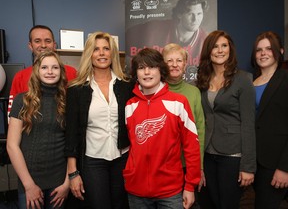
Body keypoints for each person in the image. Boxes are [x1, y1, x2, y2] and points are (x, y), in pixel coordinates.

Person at [124, 48, 201, 209]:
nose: (146, 72)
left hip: (170, 192)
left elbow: (192, 147)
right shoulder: (130, 106)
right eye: (141, 68)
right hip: (136, 191)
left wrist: (190, 186)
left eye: (152, 67)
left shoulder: (179, 102)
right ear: (136, 74)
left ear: (161, 70)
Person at [64, 31, 134, 209]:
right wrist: (72, 172)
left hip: (123, 158)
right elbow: (71, 132)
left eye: (106, 49)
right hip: (92, 160)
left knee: (122, 206)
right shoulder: (76, 89)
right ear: (89, 54)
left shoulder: (127, 85)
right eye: (96, 49)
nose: (102, 53)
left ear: (113, 53)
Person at [196, 30, 256, 209]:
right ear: (208, 50)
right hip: (208, 153)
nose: (220, 50)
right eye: (215, 46)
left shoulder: (243, 79)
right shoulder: (203, 79)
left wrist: (248, 167)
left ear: (230, 50)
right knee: (210, 203)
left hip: (232, 155)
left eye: (224, 46)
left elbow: (248, 124)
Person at [6, 51, 69, 209]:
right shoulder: (22, 100)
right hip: (30, 180)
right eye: (44, 67)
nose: (49, 71)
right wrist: (29, 185)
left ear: (60, 71)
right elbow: (12, 146)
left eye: (55, 67)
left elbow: (73, 145)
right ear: (37, 71)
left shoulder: (68, 101)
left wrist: (67, 182)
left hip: (59, 182)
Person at [126, 0, 209, 83]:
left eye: (199, 14)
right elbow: (129, 36)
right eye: (190, 14)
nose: (195, 19)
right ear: (179, 14)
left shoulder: (205, 40)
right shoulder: (156, 28)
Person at [162, 43, 205, 208]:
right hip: (164, 167)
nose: (174, 65)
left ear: (186, 64)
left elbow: (199, 130)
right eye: (169, 60)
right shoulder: (155, 90)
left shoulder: (194, 92)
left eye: (179, 60)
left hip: (188, 165)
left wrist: (199, 167)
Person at [251, 31, 288, 209]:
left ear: (280, 51)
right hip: (255, 162)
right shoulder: (250, 82)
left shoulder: (285, 80)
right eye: (259, 50)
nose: (263, 53)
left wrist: (285, 168)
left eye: (268, 49)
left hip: (276, 164)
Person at [8, 25, 77, 115]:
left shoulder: (72, 72)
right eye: (37, 41)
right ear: (30, 46)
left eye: (48, 41)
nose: (43, 45)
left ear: (54, 45)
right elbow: (12, 115)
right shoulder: (20, 77)